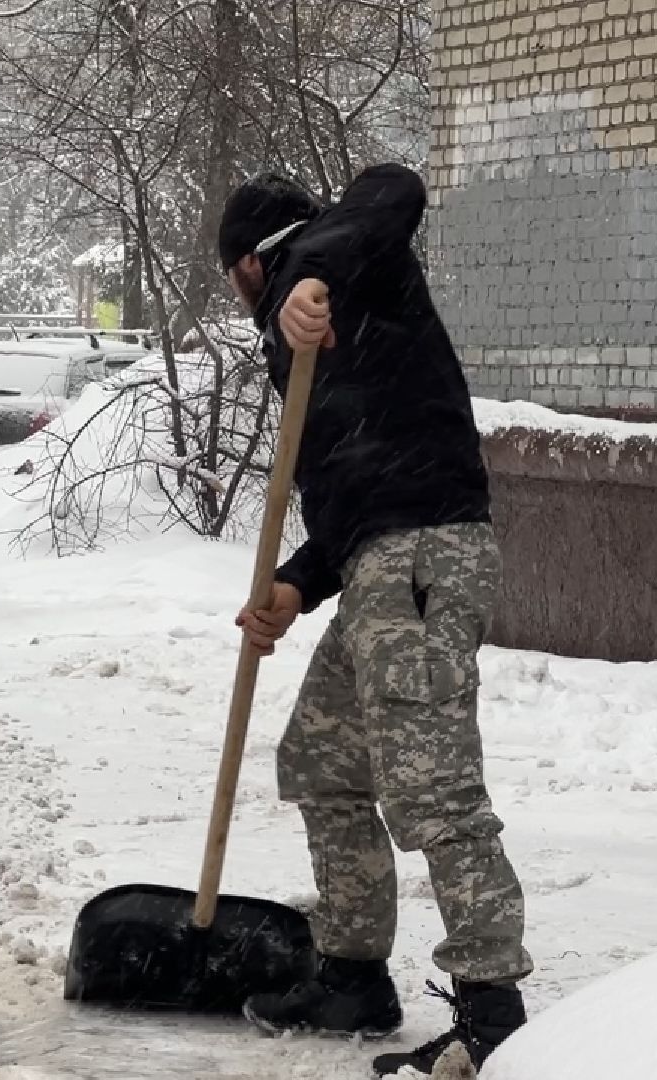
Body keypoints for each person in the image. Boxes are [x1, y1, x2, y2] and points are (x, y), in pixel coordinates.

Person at [218, 165, 532, 1076]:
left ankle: (492, 1012)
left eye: (241, 279)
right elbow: (356, 494)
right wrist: (295, 584)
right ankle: (353, 973)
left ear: (246, 264)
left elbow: (392, 185)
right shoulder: (320, 333)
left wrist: (310, 276)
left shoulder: (357, 265)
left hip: (427, 556)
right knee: (322, 759)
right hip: (374, 564)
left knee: (431, 789)